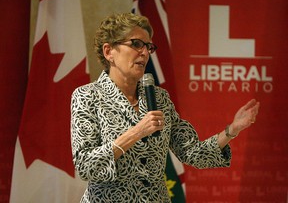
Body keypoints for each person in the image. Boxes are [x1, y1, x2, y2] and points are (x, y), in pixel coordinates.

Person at [70, 12, 260, 203]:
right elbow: (86, 166)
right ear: (108, 51)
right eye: (136, 44)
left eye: (148, 47)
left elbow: (193, 153)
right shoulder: (87, 96)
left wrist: (232, 130)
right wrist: (136, 132)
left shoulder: (159, 98)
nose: (144, 53)